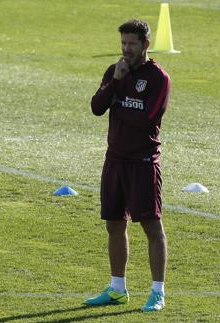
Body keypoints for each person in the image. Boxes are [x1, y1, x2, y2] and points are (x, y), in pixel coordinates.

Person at [86, 19, 170, 312]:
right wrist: (117, 82)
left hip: (143, 163)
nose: (126, 49)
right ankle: (117, 288)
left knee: (151, 226)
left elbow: (147, 119)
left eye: (132, 44)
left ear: (145, 45)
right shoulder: (115, 72)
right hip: (115, 161)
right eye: (123, 43)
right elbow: (97, 107)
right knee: (114, 224)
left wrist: (119, 104)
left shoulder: (158, 78)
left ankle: (158, 292)